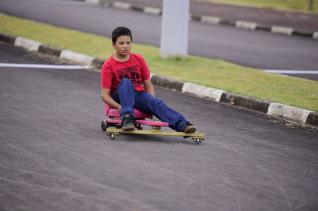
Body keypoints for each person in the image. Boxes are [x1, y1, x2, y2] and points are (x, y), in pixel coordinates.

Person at [100, 26, 196, 133]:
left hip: (138, 95)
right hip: (120, 96)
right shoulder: (108, 65)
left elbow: (148, 84)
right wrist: (120, 107)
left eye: (128, 43)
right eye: (121, 43)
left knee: (157, 103)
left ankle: (183, 124)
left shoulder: (139, 59)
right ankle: (127, 117)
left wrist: (150, 102)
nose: (125, 46)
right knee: (126, 82)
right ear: (113, 45)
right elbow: (104, 95)